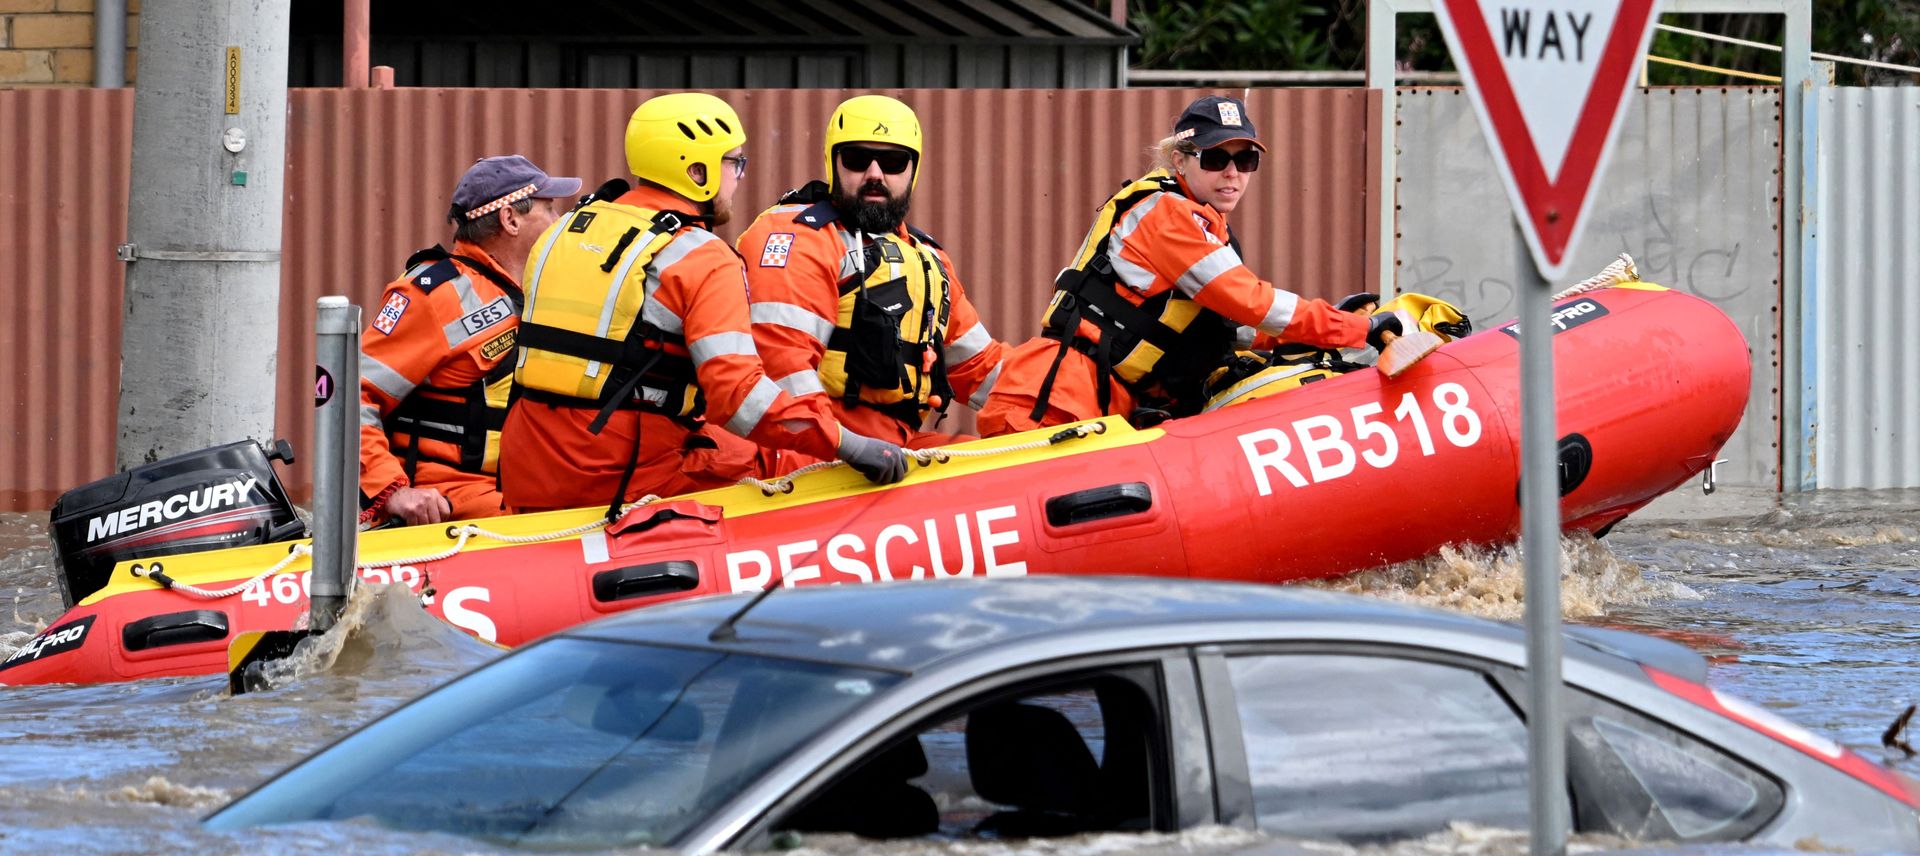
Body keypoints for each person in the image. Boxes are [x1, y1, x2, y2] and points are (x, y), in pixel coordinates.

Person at [499, 93, 908, 516]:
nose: (738, 177)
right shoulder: (702, 256)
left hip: (524, 467)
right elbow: (739, 399)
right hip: (617, 475)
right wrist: (848, 444)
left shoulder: (565, 228)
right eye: (734, 163)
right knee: (791, 465)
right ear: (697, 172)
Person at [977, 95, 1418, 436]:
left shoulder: (1198, 221)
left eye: (1245, 159)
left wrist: (1324, 323)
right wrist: (1357, 330)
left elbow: (1221, 328)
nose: (1232, 173)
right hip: (1052, 404)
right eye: (1215, 158)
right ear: (1181, 160)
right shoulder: (1168, 214)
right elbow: (1250, 301)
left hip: (1098, 404)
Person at [735, 95, 1004, 451]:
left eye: (892, 161)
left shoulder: (928, 258)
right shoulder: (801, 236)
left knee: (994, 466)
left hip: (897, 442)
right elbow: (778, 363)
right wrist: (843, 444)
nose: (874, 174)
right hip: (808, 448)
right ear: (834, 163)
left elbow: (982, 369)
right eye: (858, 159)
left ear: (912, 170)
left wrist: (1061, 415)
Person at [357, 155, 581, 526]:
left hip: (533, 487)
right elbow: (347, 397)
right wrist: (393, 492)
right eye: (550, 210)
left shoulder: (544, 289)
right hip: (460, 495)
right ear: (510, 219)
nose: (559, 223)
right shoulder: (433, 294)